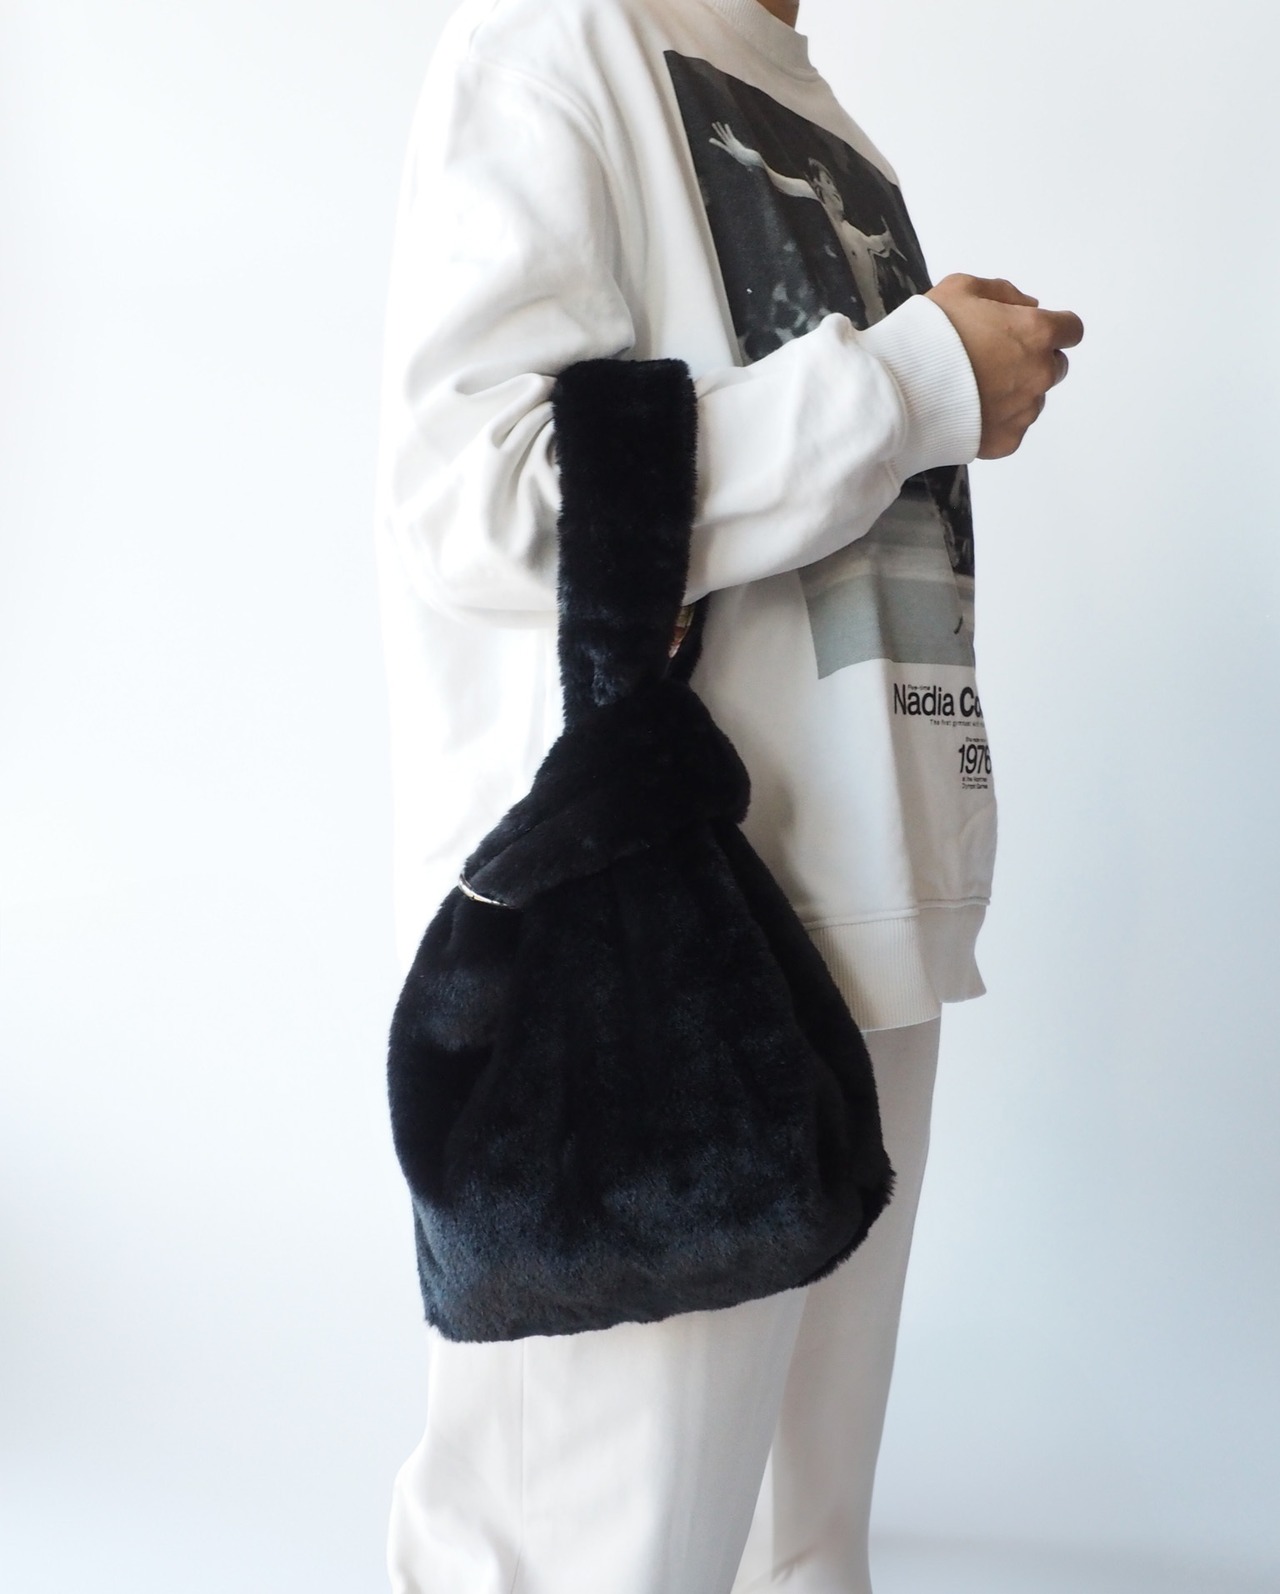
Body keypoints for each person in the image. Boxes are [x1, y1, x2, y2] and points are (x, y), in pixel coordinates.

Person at [372, 0, 1083, 1590]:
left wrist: (941, 388)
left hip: (860, 912)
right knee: (577, 1556)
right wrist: (912, 384)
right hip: (635, 956)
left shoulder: (818, 109)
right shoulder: (558, 36)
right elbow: (481, 500)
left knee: (800, 1551)